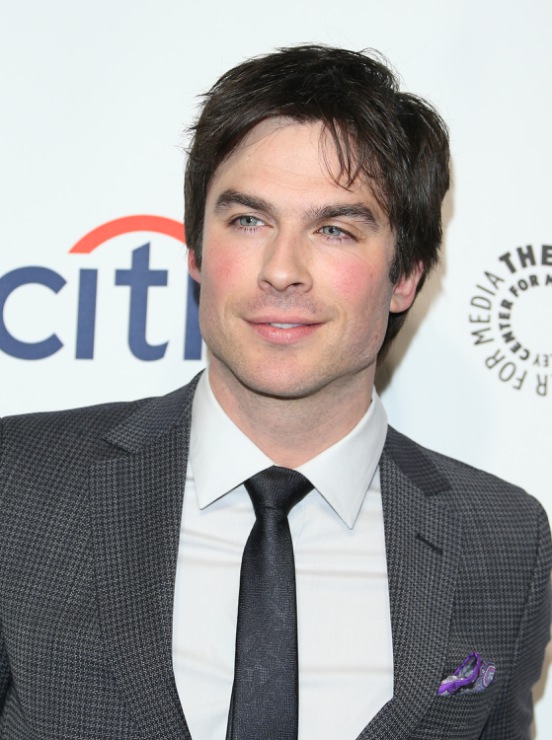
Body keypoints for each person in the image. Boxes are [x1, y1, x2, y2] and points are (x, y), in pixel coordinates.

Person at [0, 45, 550, 740]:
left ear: (406, 275)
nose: (282, 269)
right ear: (197, 251)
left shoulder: (504, 539)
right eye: (248, 221)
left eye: (334, 230)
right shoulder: (19, 482)